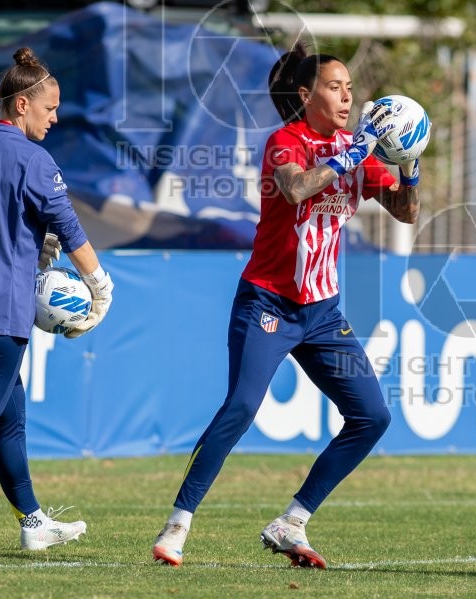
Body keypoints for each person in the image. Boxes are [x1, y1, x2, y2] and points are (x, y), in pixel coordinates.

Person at [151, 42, 421, 569]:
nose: (347, 96)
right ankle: (177, 525)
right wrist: (350, 153)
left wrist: (408, 165)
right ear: (306, 95)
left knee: (372, 416)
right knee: (242, 407)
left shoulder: (357, 147)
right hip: (267, 304)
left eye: (349, 87)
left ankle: (291, 520)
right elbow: (296, 190)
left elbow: (406, 213)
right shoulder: (285, 141)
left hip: (323, 315)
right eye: (334, 86)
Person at [0, 47, 114, 550]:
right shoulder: (33, 158)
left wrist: (31, 248)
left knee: (10, 424)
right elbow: (69, 225)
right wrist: (100, 285)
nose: (56, 117)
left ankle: (33, 524)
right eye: (49, 108)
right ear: (21, 106)